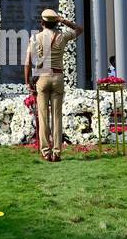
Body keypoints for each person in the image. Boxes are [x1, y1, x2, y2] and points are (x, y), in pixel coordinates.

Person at [23, 9, 83, 161]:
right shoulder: (62, 36)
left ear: (42, 23)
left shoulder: (35, 38)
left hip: (42, 78)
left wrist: (27, 82)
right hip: (57, 77)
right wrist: (63, 20)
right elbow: (79, 29)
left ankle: (45, 152)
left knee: (43, 117)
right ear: (55, 23)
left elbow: (28, 62)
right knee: (57, 116)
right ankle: (57, 152)